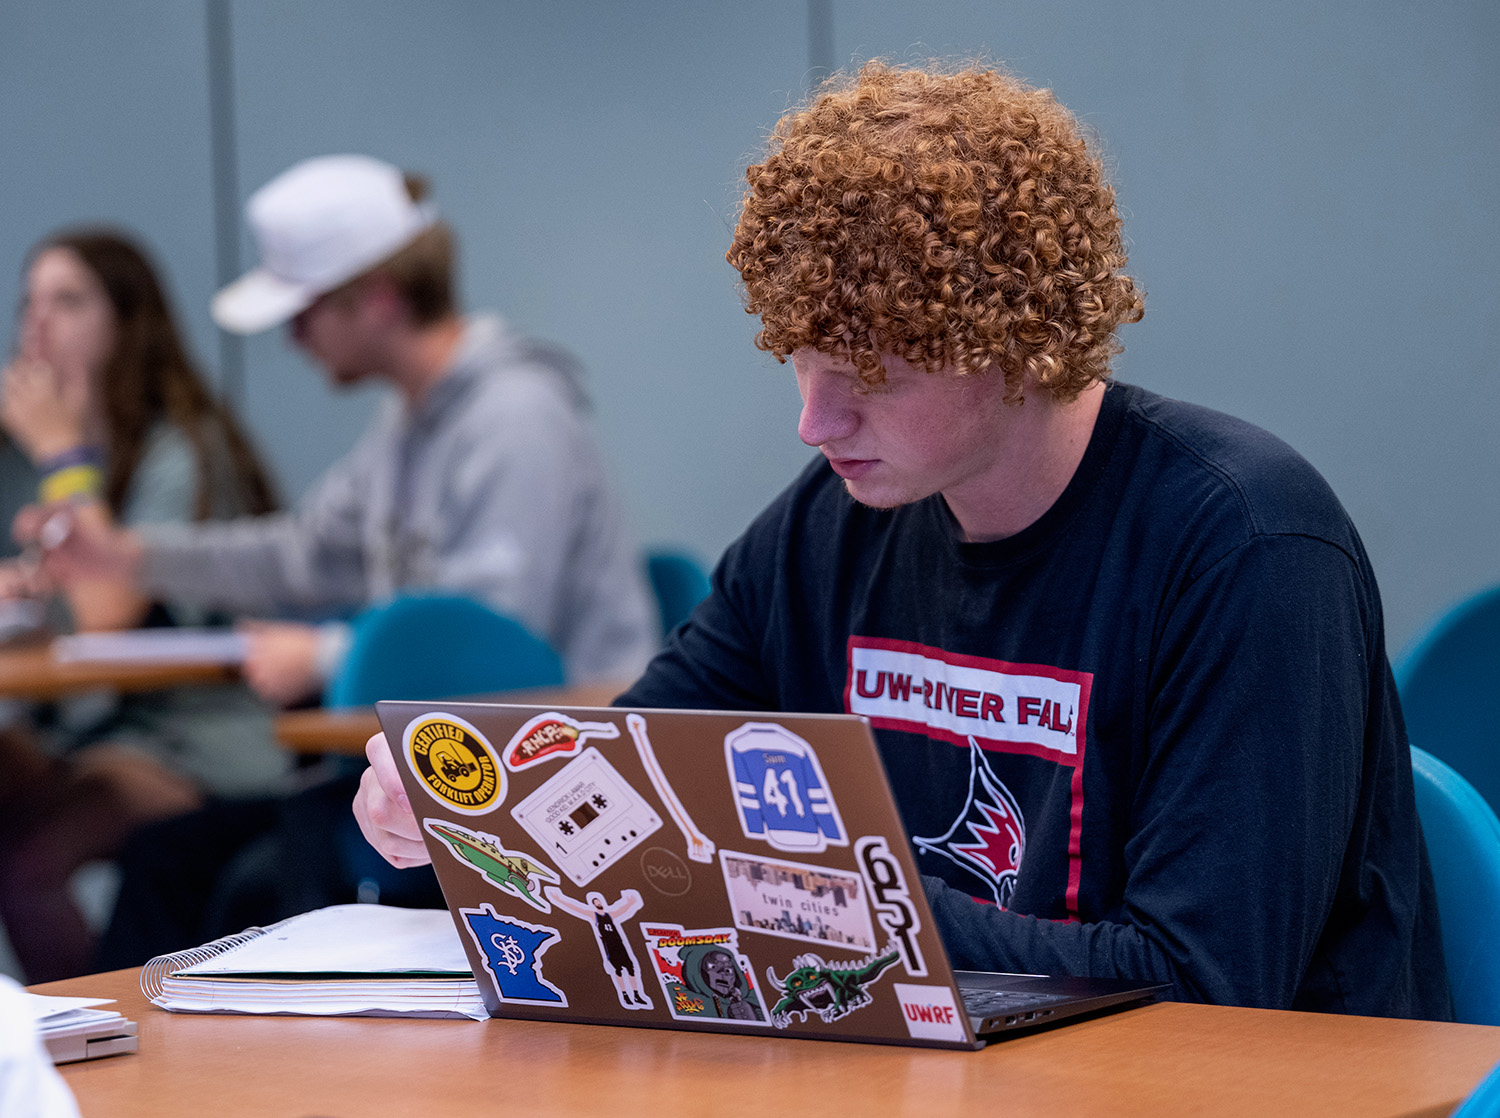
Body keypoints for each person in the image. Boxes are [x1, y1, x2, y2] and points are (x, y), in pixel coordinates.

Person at [356, 62, 1451, 1018]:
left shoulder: (1247, 547)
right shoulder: (835, 523)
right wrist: (468, 812)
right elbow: (636, 773)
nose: (815, 421)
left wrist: (822, 913)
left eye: (872, 375)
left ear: (1019, 337)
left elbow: (1208, 980)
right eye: (802, 357)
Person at [22, 154, 656, 702]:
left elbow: (489, 634)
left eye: (304, 312)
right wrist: (128, 557)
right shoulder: (407, 421)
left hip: (562, 770)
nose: (293, 338)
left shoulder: (515, 417)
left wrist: (325, 657)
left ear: (378, 299)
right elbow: (303, 556)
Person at [0, 229, 285, 982]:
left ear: (128, 322)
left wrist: (62, 455)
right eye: (28, 302)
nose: (38, 325)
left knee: (28, 862)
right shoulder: (18, 455)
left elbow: (103, 610)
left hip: (196, 735)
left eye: (67, 301)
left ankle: (88, 1056)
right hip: (81, 724)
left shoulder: (181, 450)